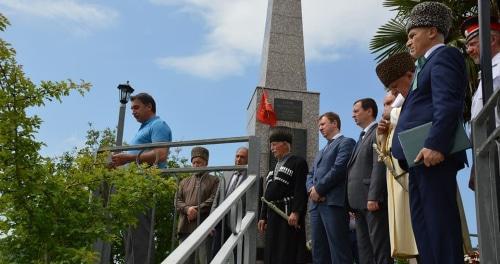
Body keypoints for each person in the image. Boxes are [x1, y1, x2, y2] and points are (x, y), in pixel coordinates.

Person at [391, 2, 467, 263]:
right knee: (425, 233)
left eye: (412, 36)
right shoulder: (424, 66)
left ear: (432, 31)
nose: (409, 43)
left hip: (434, 156)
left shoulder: (445, 56)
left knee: (440, 230)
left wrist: (436, 144)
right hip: (418, 161)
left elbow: (448, 103)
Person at [111, 92, 172, 264]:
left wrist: (129, 158)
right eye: (131, 109)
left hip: (144, 187)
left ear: (149, 106)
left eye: (136, 107)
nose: (133, 112)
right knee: (130, 237)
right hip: (133, 187)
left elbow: (161, 154)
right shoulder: (143, 128)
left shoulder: (159, 125)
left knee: (140, 236)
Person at [375, 53, 419, 259]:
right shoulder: (390, 119)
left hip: (414, 173)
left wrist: (392, 115)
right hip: (396, 178)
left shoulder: (407, 107)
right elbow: (383, 151)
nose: (387, 107)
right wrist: (383, 132)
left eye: (391, 99)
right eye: (385, 103)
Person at [306, 112, 355, 263]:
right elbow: (310, 174)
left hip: (333, 204)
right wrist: (311, 190)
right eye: (319, 125)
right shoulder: (321, 151)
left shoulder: (346, 142)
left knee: (338, 250)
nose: (320, 128)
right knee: (319, 251)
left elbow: (339, 169)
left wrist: (319, 189)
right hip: (316, 206)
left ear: (335, 123)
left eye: (323, 124)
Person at [347, 98, 392, 264]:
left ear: (369, 111)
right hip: (358, 203)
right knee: (364, 249)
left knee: (379, 248)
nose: (353, 115)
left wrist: (373, 196)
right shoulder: (361, 137)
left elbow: (379, 164)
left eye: (356, 111)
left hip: (371, 200)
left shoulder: (377, 132)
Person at [257, 127, 308, 264]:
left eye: (274, 144)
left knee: (287, 251)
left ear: (285, 144)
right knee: (272, 251)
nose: (272, 148)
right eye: (270, 145)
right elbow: (266, 196)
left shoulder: (298, 162)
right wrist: (263, 217)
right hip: (273, 216)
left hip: (288, 215)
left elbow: (300, 190)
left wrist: (296, 212)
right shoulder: (272, 169)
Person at [462, 15, 500, 190]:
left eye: (473, 44)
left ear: (492, 39)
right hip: (488, 154)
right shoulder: (486, 73)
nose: (469, 50)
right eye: (467, 45)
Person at [175, 146, 220, 264]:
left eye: (199, 162)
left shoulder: (214, 180)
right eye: (194, 162)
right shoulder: (184, 181)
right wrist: (187, 209)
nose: (196, 165)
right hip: (185, 226)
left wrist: (197, 210)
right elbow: (177, 201)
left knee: (206, 260)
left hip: (204, 226)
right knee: (184, 260)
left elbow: (214, 199)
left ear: (206, 163)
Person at [211, 147, 248, 259]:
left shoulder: (252, 176)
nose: (238, 159)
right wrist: (212, 220)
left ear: (248, 159)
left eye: (242, 157)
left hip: (238, 223)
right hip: (221, 222)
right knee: (216, 255)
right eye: (237, 156)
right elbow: (216, 198)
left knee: (235, 256)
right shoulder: (226, 173)